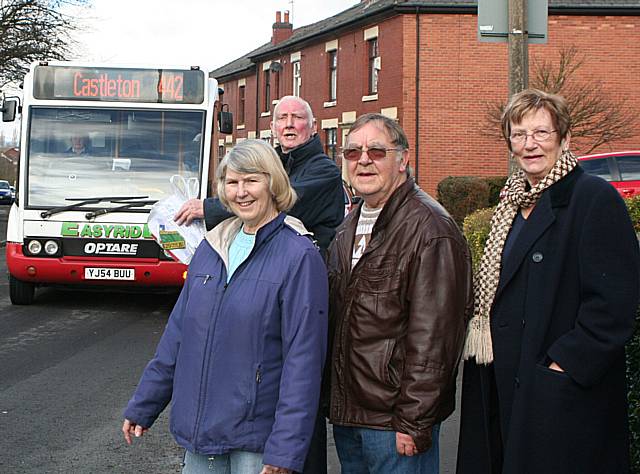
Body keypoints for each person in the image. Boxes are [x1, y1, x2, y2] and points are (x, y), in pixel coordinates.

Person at [456, 89, 640, 474]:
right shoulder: (512, 203)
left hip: (558, 392)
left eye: (541, 133)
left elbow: (614, 303)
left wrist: (564, 365)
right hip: (503, 378)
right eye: (519, 134)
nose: (530, 145)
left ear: (564, 137)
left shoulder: (593, 198)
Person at [122, 139, 328, 474]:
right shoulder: (210, 248)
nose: (241, 192)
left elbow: (303, 361)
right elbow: (177, 337)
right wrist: (144, 404)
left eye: (251, 180)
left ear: (273, 183)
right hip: (201, 435)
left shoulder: (299, 256)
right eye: (232, 182)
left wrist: (286, 449)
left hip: (256, 444)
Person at [327, 113, 473, 473]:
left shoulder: (430, 229)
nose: (363, 160)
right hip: (351, 415)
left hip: (394, 424)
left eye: (377, 151)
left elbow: (435, 339)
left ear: (403, 159)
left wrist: (414, 421)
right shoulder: (350, 224)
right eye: (352, 152)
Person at [174, 95, 344, 255]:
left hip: (307, 268)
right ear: (273, 128)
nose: (289, 124)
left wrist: (208, 208)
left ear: (313, 126)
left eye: (298, 117)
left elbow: (281, 202)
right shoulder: (270, 165)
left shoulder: (325, 171)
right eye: (282, 118)